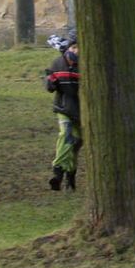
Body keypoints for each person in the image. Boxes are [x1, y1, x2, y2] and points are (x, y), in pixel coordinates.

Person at [44, 33, 81, 192]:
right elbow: (50, 87)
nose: (76, 51)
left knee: (75, 144)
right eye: (74, 47)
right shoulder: (58, 63)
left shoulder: (86, 65)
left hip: (81, 111)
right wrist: (49, 80)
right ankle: (57, 171)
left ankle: (70, 176)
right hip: (64, 108)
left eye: (79, 48)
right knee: (65, 135)